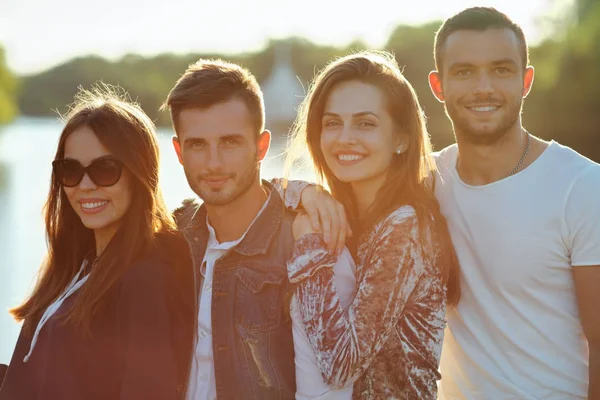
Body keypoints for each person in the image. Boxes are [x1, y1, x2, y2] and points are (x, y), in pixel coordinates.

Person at [427, 7, 600, 399]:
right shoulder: (424, 180)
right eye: (465, 71)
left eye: (501, 70)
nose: (483, 87)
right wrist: (309, 195)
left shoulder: (583, 186)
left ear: (526, 81)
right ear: (439, 85)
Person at [162, 58, 347, 400]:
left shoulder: (306, 244)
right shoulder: (171, 238)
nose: (214, 162)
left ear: (261, 146)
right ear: (179, 151)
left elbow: (330, 388)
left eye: (230, 142)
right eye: (198, 144)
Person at [284, 50, 461, 399]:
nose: (345, 137)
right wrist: (304, 192)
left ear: (401, 139)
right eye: (332, 123)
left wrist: (308, 251)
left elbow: (339, 366)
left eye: (365, 123)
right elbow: (263, 190)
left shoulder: (405, 226)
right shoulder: (345, 214)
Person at [0, 85, 195, 400]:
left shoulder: (146, 277)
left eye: (104, 170)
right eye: (71, 170)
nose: (85, 186)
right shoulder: (80, 265)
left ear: (139, 174)